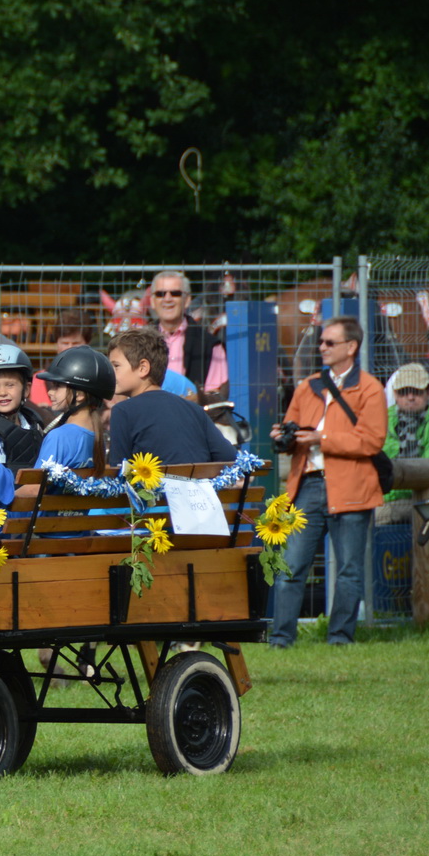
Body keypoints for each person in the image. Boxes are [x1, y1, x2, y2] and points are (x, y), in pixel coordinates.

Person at [268, 316, 386, 648]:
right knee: (291, 566)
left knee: (348, 569)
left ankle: (340, 639)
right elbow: (292, 428)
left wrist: (321, 438)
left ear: (352, 347)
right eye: (321, 342)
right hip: (307, 484)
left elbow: (371, 440)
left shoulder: (370, 389)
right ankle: (281, 640)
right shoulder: (307, 387)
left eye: (329, 343)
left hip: (351, 485)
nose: (322, 347)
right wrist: (284, 436)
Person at [107, 329, 237, 466]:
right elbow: (228, 455)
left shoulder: (123, 411)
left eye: (116, 366)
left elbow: (118, 470)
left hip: (151, 487)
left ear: (143, 368)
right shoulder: (194, 409)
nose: (110, 372)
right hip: (197, 485)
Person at [381, 362, 429, 504]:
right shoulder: (384, 420)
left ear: (428, 393)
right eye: (404, 391)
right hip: (390, 495)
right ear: (395, 394)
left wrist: (386, 491)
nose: (410, 397)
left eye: (416, 391)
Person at [149, 270, 227, 396]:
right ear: (152, 301)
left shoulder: (210, 345)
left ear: (187, 300)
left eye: (175, 293)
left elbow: (214, 396)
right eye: (160, 294)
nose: (167, 299)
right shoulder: (138, 342)